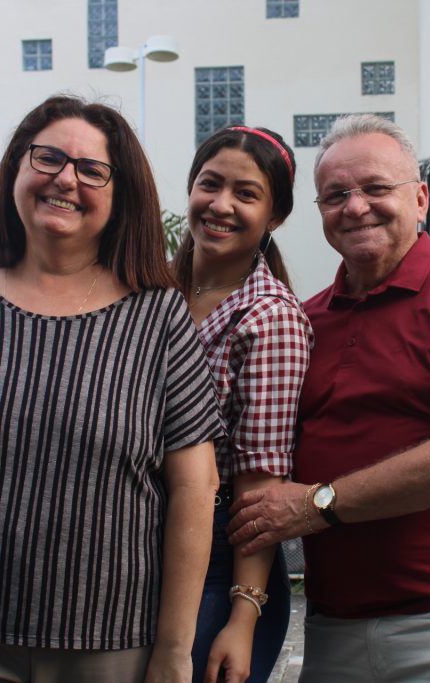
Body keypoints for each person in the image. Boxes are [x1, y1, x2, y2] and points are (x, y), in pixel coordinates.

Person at [0, 95, 225, 683]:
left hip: (110, 644)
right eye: (48, 158)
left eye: (92, 169)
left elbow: (194, 489)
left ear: (120, 195)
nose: (66, 179)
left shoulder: (158, 318)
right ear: (16, 170)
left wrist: (173, 649)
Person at [227, 114, 430, 682]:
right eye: (335, 195)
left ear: (420, 198)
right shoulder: (305, 320)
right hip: (334, 618)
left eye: (375, 187)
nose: (355, 206)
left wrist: (316, 504)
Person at [173, 126, 313, 683]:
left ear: (274, 217)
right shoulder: (154, 293)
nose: (221, 205)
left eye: (246, 194)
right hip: (147, 545)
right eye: (210, 184)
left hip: (220, 560)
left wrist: (243, 616)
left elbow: (259, 488)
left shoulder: (268, 317)